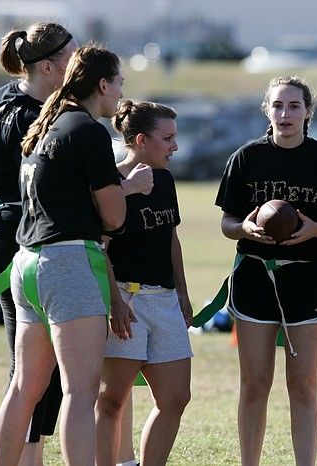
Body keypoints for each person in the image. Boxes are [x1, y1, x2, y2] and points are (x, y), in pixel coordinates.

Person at [215, 75, 317, 466]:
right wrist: (244, 228)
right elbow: (228, 222)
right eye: (278, 106)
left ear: (308, 112)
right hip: (255, 277)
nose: (285, 114)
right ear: (267, 110)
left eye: (294, 106)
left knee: (303, 384)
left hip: (308, 277)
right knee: (254, 384)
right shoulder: (246, 157)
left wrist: (316, 229)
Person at [0, 45, 131, 466]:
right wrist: (129, 189)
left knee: (23, 386)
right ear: (103, 84)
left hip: (27, 263)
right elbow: (113, 216)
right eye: (120, 83)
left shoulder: (46, 122)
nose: (121, 92)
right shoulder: (88, 130)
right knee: (80, 391)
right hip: (68, 264)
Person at [0, 22, 77, 465]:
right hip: (19, 237)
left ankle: (31, 459)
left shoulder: (2, 97)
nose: (80, 63)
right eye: (73, 56)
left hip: (9, 234)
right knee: (31, 369)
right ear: (48, 65)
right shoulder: (32, 115)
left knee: (38, 369)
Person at [95, 99, 193, 466]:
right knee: (112, 401)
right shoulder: (111, 183)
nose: (175, 147)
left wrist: (182, 294)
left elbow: (170, 238)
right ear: (140, 140)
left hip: (164, 300)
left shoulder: (165, 179)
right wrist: (115, 304)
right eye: (167, 138)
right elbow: (99, 248)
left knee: (176, 398)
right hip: (126, 301)